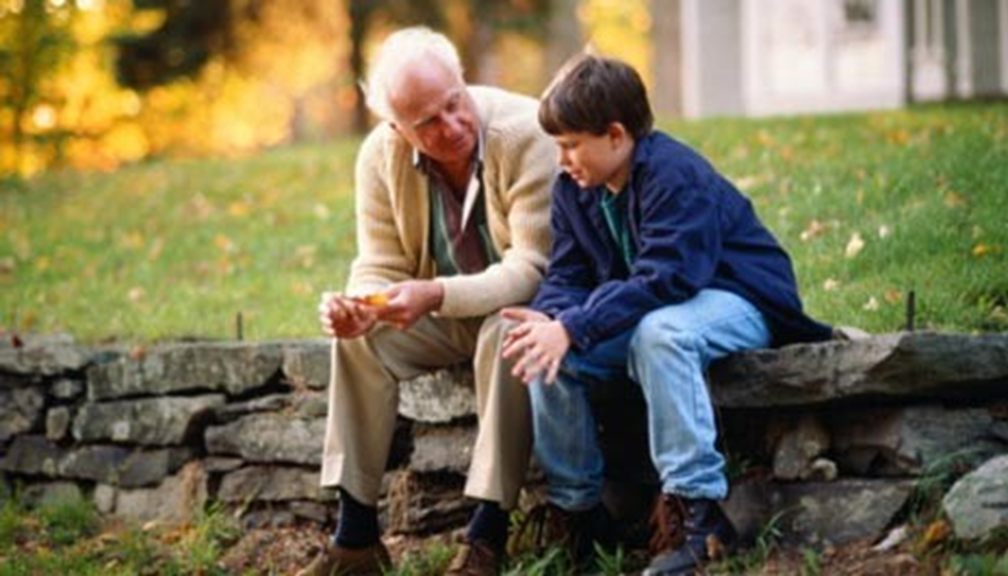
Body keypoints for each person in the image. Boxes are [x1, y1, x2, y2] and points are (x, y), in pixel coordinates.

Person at [502, 55, 833, 575]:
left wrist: (577, 325)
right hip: (661, 303)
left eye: (570, 145)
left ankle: (697, 515)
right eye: (557, 146)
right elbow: (566, 275)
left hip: (738, 297)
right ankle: (581, 515)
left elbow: (669, 278)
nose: (561, 159)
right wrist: (553, 323)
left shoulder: (673, 175)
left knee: (661, 334)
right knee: (548, 353)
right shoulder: (573, 189)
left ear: (615, 135)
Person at [300, 27, 555, 576]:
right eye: (429, 123)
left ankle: (487, 534)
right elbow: (381, 262)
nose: (453, 125)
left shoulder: (525, 132)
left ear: (463, 81)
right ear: (397, 128)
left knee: (507, 332)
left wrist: (435, 294)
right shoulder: (380, 154)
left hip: (524, 304)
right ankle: (356, 537)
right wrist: (358, 305)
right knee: (359, 341)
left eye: (454, 103)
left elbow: (532, 268)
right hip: (444, 306)